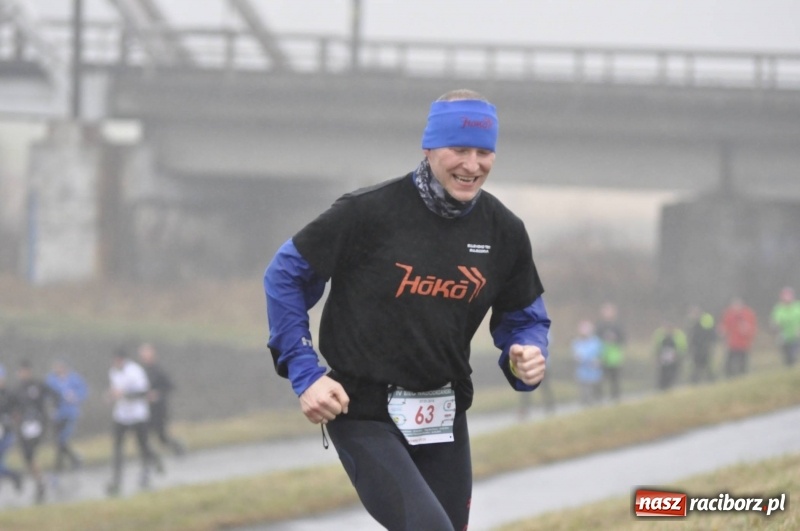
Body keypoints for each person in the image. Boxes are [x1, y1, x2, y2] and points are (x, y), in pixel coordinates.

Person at [264, 88, 550, 531]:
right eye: (459, 149)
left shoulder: (504, 231)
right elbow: (285, 277)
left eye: (483, 152)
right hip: (364, 411)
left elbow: (524, 315)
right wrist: (306, 372)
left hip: (443, 412)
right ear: (430, 147)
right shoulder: (368, 212)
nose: (472, 166)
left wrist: (526, 350)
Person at [106, 346, 162, 496]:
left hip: (138, 416)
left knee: (143, 446)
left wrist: (124, 394)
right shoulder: (112, 372)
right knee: (117, 448)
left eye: (118, 360)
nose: (116, 363)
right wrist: (111, 396)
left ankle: (146, 474)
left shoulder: (135, 371)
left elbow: (144, 392)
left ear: (123, 360)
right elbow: (115, 390)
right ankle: (116, 480)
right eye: (114, 361)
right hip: (121, 416)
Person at [14, 359, 58, 503]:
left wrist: (52, 410)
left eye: (25, 371)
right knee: (28, 457)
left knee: (31, 453)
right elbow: (14, 407)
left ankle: (43, 480)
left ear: (29, 371)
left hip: (38, 424)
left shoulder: (38, 385)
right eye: (21, 371)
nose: (23, 374)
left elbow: (54, 395)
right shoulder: (18, 389)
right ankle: (41, 480)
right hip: (24, 426)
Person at [137, 343, 185, 456]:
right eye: (142, 355)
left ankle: (178, 448)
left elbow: (170, 386)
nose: (144, 357)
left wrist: (157, 394)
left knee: (162, 437)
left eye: (146, 354)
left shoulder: (159, 371)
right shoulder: (141, 372)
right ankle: (151, 459)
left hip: (159, 409)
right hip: (146, 410)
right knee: (143, 435)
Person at [45, 359, 88, 475]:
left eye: (60, 366)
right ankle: (73, 460)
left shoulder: (74, 378)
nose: (58, 369)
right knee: (58, 441)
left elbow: (84, 391)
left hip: (71, 413)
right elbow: (46, 395)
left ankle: (60, 465)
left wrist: (75, 396)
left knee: (62, 439)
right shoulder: (51, 380)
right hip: (57, 414)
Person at [719, 296, 758, 378]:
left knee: (742, 365)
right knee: (728, 365)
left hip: (743, 344)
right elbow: (724, 326)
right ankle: (729, 378)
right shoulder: (729, 314)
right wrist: (723, 332)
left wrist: (747, 331)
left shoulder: (748, 314)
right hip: (732, 344)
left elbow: (752, 329)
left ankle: (742, 378)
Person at [594, 302, 625, 401]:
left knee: (614, 380)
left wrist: (614, 339)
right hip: (602, 356)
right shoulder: (600, 326)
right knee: (600, 379)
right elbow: (595, 340)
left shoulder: (618, 326)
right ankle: (599, 399)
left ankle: (615, 399)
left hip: (614, 358)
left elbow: (623, 340)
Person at [0, 365, 23, 494]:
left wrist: (12, 419)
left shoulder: (9, 394)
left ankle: (15, 476)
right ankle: (14, 476)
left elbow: (18, 411)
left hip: (7, 434)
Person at [571, 320, 603, 406]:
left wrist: (598, 361)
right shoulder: (577, 342)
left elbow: (600, 354)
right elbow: (575, 355)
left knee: (593, 390)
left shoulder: (596, 342)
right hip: (582, 372)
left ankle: (595, 404)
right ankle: (585, 404)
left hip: (594, 372)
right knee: (584, 390)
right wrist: (577, 358)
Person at [769, 286, 800, 367]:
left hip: (796, 336)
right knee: (786, 356)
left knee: (793, 354)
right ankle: (788, 369)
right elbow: (775, 321)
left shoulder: (797, 306)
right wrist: (776, 326)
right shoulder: (779, 308)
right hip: (783, 336)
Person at [687, 306, 717, 383]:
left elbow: (709, 333)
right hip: (697, 347)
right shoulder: (693, 323)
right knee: (697, 366)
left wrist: (709, 344)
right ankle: (695, 381)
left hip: (703, 346)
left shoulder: (704, 320)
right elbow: (691, 336)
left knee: (704, 364)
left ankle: (710, 380)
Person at [652, 323, 687, 391]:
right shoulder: (660, 335)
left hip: (673, 360)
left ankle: (668, 388)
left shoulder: (678, 335)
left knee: (671, 375)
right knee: (663, 375)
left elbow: (682, 348)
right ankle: (663, 388)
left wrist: (679, 356)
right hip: (664, 360)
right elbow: (657, 347)